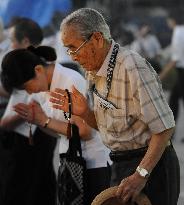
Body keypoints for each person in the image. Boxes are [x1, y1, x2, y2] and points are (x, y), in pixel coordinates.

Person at [49, 8, 180, 205]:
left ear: (97, 39)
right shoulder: (93, 70)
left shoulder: (131, 66)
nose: (72, 56)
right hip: (120, 164)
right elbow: (107, 128)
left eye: (74, 48)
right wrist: (85, 112)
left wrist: (141, 174)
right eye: (67, 50)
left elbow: (165, 127)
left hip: (151, 166)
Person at [0, 45, 111, 205]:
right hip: (69, 161)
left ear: (38, 70)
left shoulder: (70, 81)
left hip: (92, 164)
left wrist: (43, 121)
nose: (29, 93)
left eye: (26, 87)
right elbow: (59, 133)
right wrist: (40, 121)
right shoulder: (42, 89)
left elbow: (84, 131)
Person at [0, 18, 57, 205]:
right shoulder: (43, 65)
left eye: (14, 41)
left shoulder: (29, 70)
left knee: (21, 191)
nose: (11, 45)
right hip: (40, 139)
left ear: (25, 42)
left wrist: (11, 121)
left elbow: (27, 108)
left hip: (27, 142)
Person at [159, 9, 184, 142]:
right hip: (181, 71)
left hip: (182, 71)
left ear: (172, 21)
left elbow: (175, 59)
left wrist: (160, 76)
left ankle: (170, 134)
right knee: (174, 101)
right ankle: (170, 134)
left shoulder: (177, 32)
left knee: (173, 102)